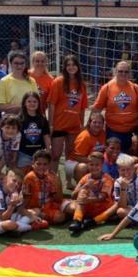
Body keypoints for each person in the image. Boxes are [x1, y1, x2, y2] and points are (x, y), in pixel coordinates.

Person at [47, 54, 88, 184]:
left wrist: (82, 124)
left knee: (71, 155)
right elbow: (51, 103)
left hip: (74, 125)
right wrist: (51, 123)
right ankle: (52, 181)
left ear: (78, 67)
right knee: (55, 155)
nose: (71, 67)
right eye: (68, 65)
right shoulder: (58, 81)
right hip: (59, 124)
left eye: (73, 65)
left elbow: (82, 108)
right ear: (64, 67)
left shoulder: (81, 85)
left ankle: (68, 181)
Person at [92, 60, 138, 153]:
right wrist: (89, 126)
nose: (123, 74)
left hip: (132, 132)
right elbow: (97, 108)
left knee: (130, 161)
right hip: (113, 131)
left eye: (126, 72)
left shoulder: (135, 88)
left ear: (130, 73)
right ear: (115, 72)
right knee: (114, 160)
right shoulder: (107, 87)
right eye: (120, 71)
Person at [0, 169, 48, 236]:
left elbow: (20, 209)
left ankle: (18, 227)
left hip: (7, 218)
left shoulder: (12, 190)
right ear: (5, 179)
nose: (16, 185)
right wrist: (12, 205)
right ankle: (30, 227)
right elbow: (3, 218)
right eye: (14, 181)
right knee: (10, 224)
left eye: (19, 183)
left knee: (36, 211)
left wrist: (33, 217)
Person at [68, 152, 117, 235]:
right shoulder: (86, 178)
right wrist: (85, 186)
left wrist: (87, 200)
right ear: (88, 165)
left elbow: (102, 198)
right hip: (88, 207)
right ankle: (77, 221)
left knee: (115, 205)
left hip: (103, 208)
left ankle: (94, 221)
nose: (94, 167)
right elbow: (73, 196)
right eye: (91, 164)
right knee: (82, 192)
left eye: (97, 165)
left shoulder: (107, 179)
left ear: (102, 165)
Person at [22, 150, 72, 225]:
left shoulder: (51, 176)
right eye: (38, 164)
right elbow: (26, 201)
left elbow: (58, 199)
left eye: (45, 164)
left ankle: (70, 215)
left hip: (52, 203)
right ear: (33, 164)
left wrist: (58, 183)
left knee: (73, 208)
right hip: (39, 208)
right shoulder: (29, 178)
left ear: (49, 165)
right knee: (59, 217)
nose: (41, 167)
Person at [16, 91, 51, 175]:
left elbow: (46, 136)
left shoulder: (42, 119)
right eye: (29, 101)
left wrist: (49, 150)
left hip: (39, 155)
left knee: (39, 176)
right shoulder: (19, 119)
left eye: (35, 101)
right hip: (24, 153)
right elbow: (16, 138)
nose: (32, 103)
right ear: (24, 103)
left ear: (39, 103)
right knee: (22, 177)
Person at [67, 112, 107, 185]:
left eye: (100, 123)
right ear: (89, 123)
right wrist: (94, 162)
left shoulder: (103, 134)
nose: (97, 125)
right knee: (83, 167)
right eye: (94, 122)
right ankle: (80, 188)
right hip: (75, 162)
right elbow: (76, 156)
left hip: (93, 161)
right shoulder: (84, 136)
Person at [0, 51, 38, 115]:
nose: (19, 66)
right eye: (16, 63)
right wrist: (22, 107)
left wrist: (19, 107)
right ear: (11, 64)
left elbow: (37, 102)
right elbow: (0, 106)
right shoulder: (4, 81)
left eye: (22, 63)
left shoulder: (31, 81)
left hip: (28, 119)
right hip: (12, 120)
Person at [112, 153, 138, 220]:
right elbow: (122, 205)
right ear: (118, 171)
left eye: (128, 169)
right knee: (120, 211)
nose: (126, 172)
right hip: (131, 209)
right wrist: (123, 189)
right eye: (123, 170)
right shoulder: (118, 183)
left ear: (133, 169)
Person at [28, 50, 54, 115]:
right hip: (24, 114)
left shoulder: (50, 80)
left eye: (42, 61)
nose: (40, 63)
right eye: (37, 61)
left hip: (40, 115)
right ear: (33, 62)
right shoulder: (26, 75)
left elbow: (51, 103)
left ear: (46, 63)